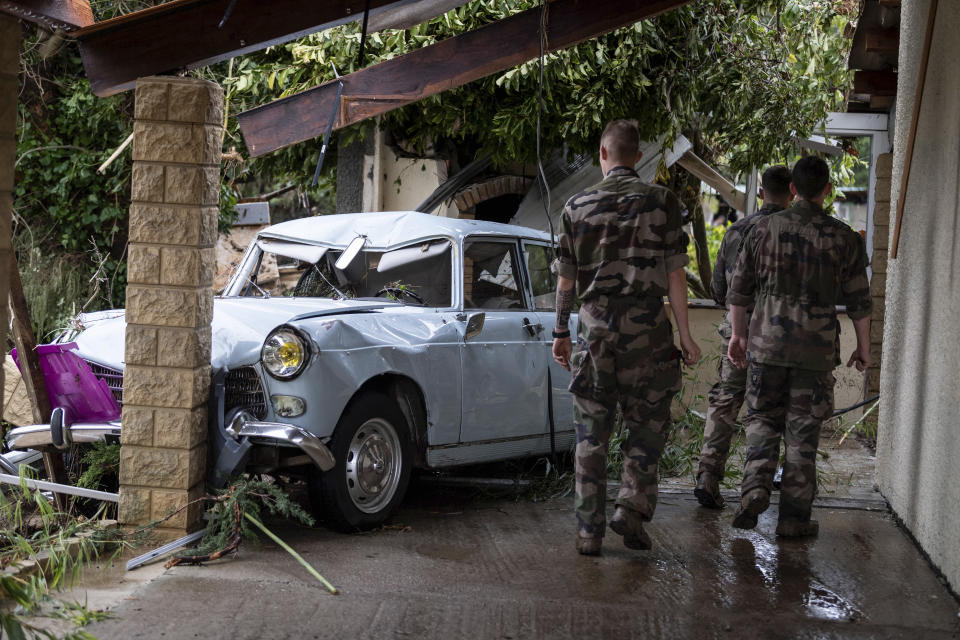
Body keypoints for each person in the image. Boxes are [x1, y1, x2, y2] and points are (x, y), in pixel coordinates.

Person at [551, 119, 700, 556]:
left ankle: (587, 532)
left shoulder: (576, 206)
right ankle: (632, 508)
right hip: (648, 333)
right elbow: (676, 275)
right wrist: (687, 337)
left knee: (590, 433)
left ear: (602, 154)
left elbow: (566, 280)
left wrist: (560, 331)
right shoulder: (663, 202)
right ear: (638, 156)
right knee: (647, 425)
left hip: (594, 332)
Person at [726, 156, 871, 537]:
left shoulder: (762, 229)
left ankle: (754, 490)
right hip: (815, 351)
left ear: (792, 189)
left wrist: (739, 337)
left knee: (761, 420)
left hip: (766, 345)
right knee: (803, 435)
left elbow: (738, 293)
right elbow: (859, 302)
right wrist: (864, 348)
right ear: (827, 190)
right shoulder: (845, 239)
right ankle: (793, 520)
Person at [694, 165, 793, 509]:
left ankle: (707, 475)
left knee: (725, 399)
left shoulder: (737, 231)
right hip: (779, 337)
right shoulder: (796, 233)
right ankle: (755, 489)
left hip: (735, 332)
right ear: (792, 192)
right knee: (765, 410)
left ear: (761, 192)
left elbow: (719, 290)